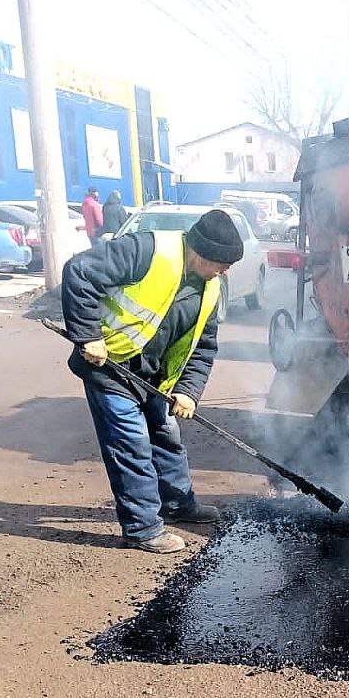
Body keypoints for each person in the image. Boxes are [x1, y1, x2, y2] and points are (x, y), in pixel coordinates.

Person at [61, 209, 244, 553]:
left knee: (166, 436)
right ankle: (142, 528)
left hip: (155, 377)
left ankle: (178, 504)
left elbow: (203, 346)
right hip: (110, 367)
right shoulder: (146, 251)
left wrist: (188, 391)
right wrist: (87, 335)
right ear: (202, 253)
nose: (226, 271)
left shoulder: (210, 287)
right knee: (131, 444)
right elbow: (79, 272)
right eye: (223, 263)